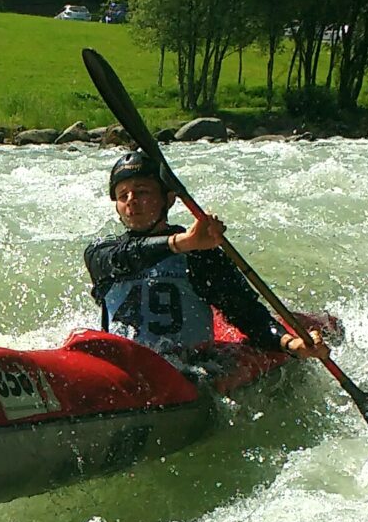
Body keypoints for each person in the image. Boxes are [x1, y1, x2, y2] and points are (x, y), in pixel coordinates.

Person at [86, 150, 324, 375]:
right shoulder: (102, 252)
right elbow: (128, 256)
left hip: (190, 368)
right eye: (122, 195)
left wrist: (290, 343)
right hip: (124, 368)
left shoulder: (199, 253)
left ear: (168, 200)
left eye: (142, 191)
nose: (131, 201)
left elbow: (245, 312)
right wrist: (182, 242)